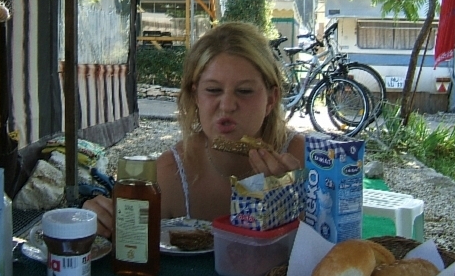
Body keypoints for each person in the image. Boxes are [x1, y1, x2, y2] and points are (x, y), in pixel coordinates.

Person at [85, 21, 304, 237]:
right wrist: (101, 219)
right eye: (213, 90)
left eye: (245, 91)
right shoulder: (168, 174)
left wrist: (294, 205)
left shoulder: (305, 162)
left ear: (270, 100)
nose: (227, 105)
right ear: (196, 96)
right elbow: (128, 237)